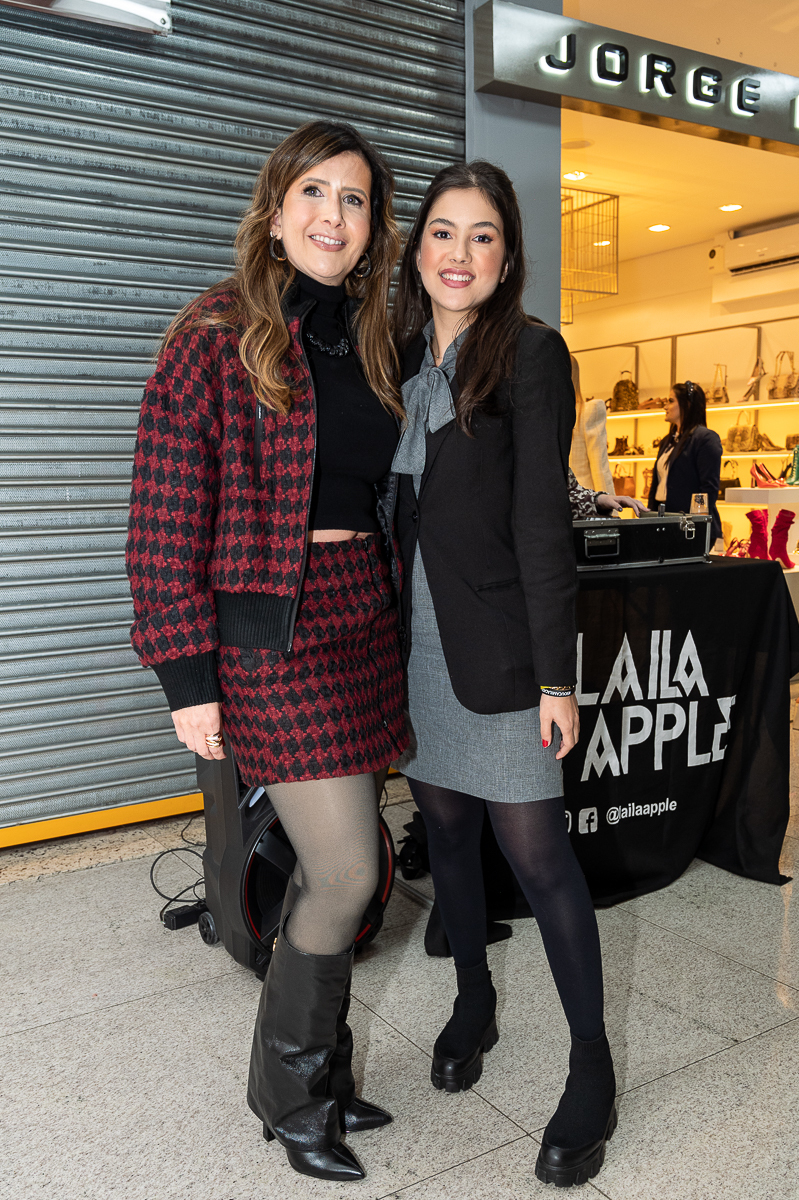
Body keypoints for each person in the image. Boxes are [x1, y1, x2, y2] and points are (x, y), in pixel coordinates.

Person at [125, 120, 408, 1183]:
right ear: (276, 207)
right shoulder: (214, 330)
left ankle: (316, 1074)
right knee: (343, 870)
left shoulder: (368, 337)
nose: (334, 217)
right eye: (316, 195)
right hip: (267, 633)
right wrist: (183, 679)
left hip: (358, 617)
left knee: (351, 867)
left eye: (355, 200)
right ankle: (288, 1096)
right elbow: (160, 520)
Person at [391, 161, 617, 1190]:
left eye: (482, 236)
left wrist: (556, 679)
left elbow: (539, 525)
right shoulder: (393, 354)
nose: (459, 254)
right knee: (443, 835)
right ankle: (473, 998)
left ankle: (592, 1067)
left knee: (540, 859)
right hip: (411, 651)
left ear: (508, 255)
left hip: (503, 655)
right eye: (443, 232)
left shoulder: (528, 355)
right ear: (417, 246)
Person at [648, 382, 722, 545]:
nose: (665, 406)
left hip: (689, 524)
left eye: (670, 401)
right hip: (664, 520)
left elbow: (708, 489)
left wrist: (697, 520)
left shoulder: (705, 439)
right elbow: (657, 484)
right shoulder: (667, 442)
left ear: (687, 404)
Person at [568, 355, 615, 494]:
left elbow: (600, 468)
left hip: (584, 500)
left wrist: (611, 510)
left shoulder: (588, 412)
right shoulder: (548, 414)